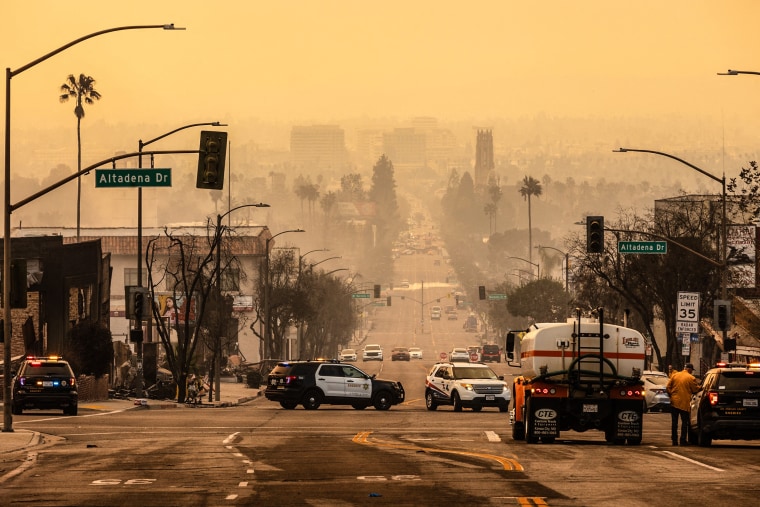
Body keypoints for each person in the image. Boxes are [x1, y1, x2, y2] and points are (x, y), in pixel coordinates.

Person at [666, 363, 700, 445]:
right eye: (692, 370)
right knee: (685, 423)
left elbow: (667, 387)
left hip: (674, 402)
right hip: (684, 404)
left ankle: (674, 441)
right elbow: (695, 389)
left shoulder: (675, 375)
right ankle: (682, 440)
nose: (692, 372)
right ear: (689, 369)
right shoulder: (691, 378)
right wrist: (701, 387)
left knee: (674, 423)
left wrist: (671, 395)